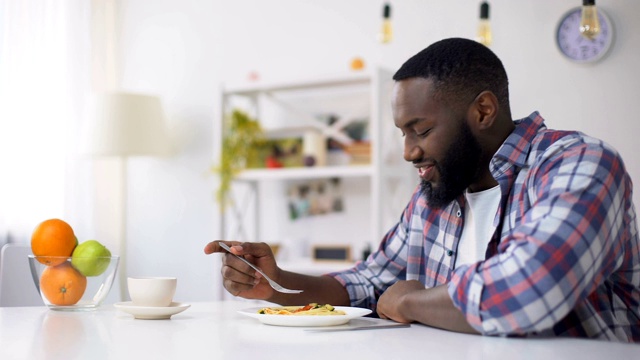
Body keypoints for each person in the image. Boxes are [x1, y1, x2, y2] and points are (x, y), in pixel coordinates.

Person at [204, 38, 640, 342]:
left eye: (422, 130)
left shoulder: (579, 164)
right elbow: (371, 283)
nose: (410, 152)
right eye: (402, 133)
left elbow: (527, 293)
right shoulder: (436, 194)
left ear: (483, 110)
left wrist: (412, 302)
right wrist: (276, 284)